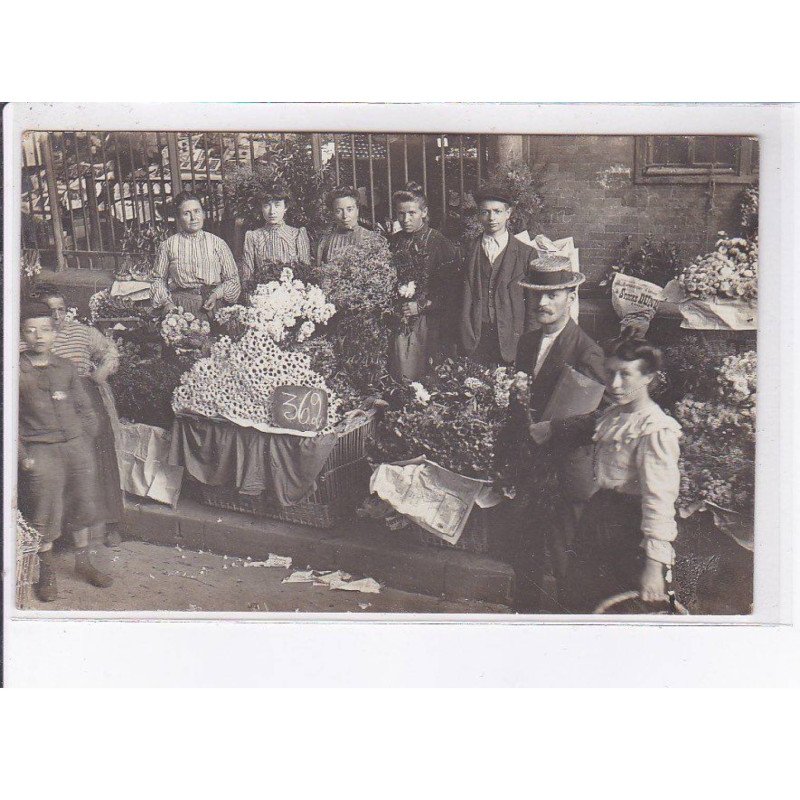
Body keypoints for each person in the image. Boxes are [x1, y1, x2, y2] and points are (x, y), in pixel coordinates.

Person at [529, 330, 682, 611]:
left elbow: (659, 500)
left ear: (648, 377)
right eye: (610, 373)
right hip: (598, 515)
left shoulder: (655, 429)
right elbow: (585, 424)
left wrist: (654, 567)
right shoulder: (614, 415)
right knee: (580, 599)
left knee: (618, 607)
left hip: (630, 528)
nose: (615, 383)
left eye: (626, 375)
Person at [505, 253, 606, 612]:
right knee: (525, 557)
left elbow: (606, 416)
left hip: (565, 471)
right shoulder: (527, 343)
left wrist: (554, 429)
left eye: (553, 295)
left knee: (567, 565)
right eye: (536, 294)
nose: (542, 303)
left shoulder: (586, 350)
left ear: (571, 297)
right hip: (532, 469)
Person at [18, 301, 113, 603]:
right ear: (22, 334)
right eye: (31, 331)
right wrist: (24, 457)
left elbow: (85, 409)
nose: (39, 336)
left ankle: (83, 563)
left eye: (45, 330)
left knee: (83, 502)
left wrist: (84, 440)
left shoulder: (66, 367)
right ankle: (45, 572)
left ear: (54, 332)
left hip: (75, 447)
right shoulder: (15, 371)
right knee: (45, 510)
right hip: (40, 448)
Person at [42, 291, 124, 547]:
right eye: (51, 311)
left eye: (61, 309)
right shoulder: (36, 336)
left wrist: (102, 372)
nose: (57, 316)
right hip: (51, 402)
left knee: (101, 455)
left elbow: (110, 351)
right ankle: (64, 532)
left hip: (86, 397)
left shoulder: (82, 332)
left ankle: (111, 523)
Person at [388, 182, 461, 378]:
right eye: (401, 214)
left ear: (424, 212)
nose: (406, 219)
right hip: (398, 321)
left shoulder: (439, 243)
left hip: (430, 323)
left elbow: (453, 291)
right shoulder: (394, 242)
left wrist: (421, 306)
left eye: (412, 213)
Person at [459, 187, 535, 366]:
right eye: (485, 212)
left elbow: (533, 306)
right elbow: (458, 299)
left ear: (508, 213)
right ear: (479, 215)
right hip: (476, 336)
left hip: (512, 339)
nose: (491, 218)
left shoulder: (526, 253)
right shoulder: (466, 250)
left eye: (497, 211)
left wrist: (530, 342)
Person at [151, 190, 240, 319]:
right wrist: (167, 303)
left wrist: (216, 294)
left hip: (214, 307)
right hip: (180, 309)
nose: (193, 218)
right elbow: (158, 279)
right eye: (186, 213)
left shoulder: (218, 243)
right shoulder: (168, 245)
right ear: (178, 218)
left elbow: (232, 279)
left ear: (203, 214)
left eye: (197, 211)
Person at [240, 182, 312, 289]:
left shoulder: (297, 234)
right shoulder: (253, 237)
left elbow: (305, 275)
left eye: (277, 205)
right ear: (261, 208)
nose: (272, 211)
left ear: (285, 207)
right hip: (262, 295)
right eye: (266, 205)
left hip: (293, 294)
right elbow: (247, 278)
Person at [316, 186, 383, 264]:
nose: (345, 216)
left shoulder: (371, 238)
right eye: (338, 211)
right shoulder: (326, 241)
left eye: (349, 209)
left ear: (357, 210)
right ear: (333, 213)